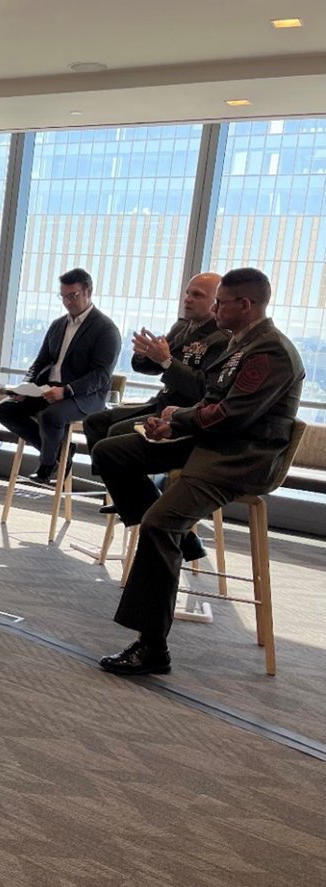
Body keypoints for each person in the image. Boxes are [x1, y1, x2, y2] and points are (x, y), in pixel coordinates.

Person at [93, 268, 304, 675]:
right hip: (212, 441)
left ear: (245, 306)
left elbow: (233, 416)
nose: (215, 308)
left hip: (240, 457)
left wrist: (179, 421)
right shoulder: (242, 343)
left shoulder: (269, 351)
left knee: (158, 524)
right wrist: (174, 422)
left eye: (221, 302)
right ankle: (179, 538)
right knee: (110, 452)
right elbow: (211, 399)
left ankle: (152, 646)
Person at [0, 268, 122, 482]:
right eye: (63, 296)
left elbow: (101, 376)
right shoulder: (57, 325)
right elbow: (40, 361)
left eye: (73, 296)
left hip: (85, 397)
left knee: (51, 416)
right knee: (4, 409)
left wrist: (67, 390)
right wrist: (25, 387)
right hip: (49, 389)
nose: (67, 302)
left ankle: (47, 467)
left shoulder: (106, 329)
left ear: (88, 291)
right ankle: (61, 452)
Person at [83, 273, 228, 455]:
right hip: (159, 403)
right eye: (187, 293)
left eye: (197, 295)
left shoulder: (221, 339)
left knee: (116, 433)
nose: (187, 300)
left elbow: (202, 387)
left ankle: (118, 475)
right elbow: (152, 366)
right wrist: (145, 354)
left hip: (182, 413)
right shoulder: (181, 328)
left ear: (216, 302)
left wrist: (166, 360)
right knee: (95, 422)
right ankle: (111, 478)